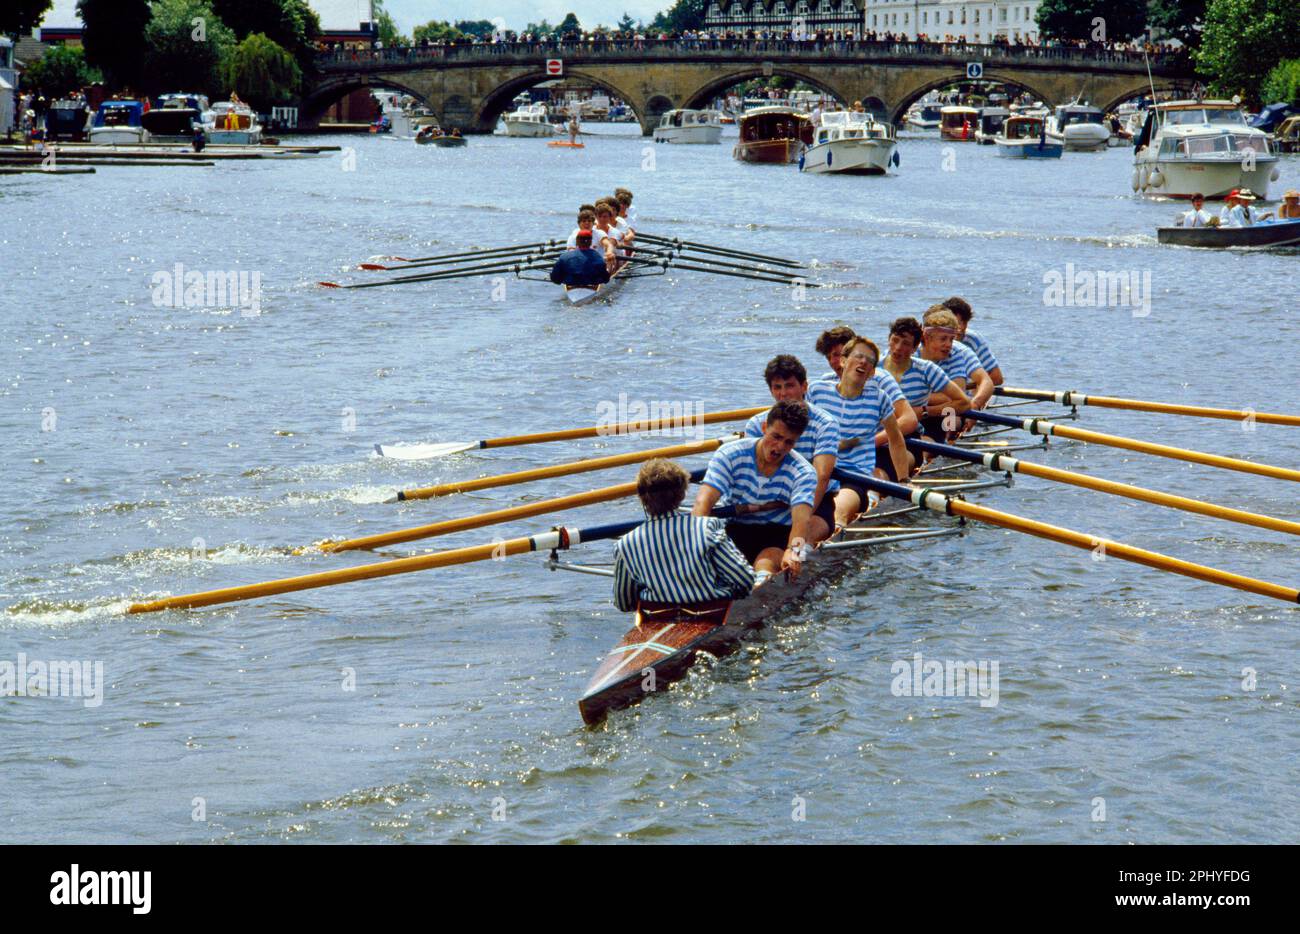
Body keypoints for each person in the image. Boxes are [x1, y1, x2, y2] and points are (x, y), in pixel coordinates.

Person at [693, 400, 817, 582]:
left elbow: (802, 521)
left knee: (766, 561)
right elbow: (703, 503)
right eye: (776, 436)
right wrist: (694, 544)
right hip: (735, 526)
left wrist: (794, 551)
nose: (780, 447)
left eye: (789, 442)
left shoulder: (803, 472)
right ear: (764, 427)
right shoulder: (730, 454)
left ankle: (760, 584)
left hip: (778, 532)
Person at [613, 458, 754, 612]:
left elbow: (624, 603)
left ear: (641, 496)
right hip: (711, 612)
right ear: (681, 495)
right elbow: (744, 580)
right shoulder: (706, 527)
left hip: (658, 616)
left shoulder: (625, 544)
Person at [806, 337, 911, 523]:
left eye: (870, 361)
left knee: (837, 511)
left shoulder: (879, 398)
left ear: (871, 372)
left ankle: (831, 533)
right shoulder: (816, 390)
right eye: (859, 356)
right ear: (843, 361)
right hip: (817, 470)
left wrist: (904, 482)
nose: (864, 362)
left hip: (854, 477)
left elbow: (895, 439)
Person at [742, 355, 840, 545]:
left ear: (804, 387)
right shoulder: (757, 424)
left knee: (798, 544)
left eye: (789, 385)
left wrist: (800, 521)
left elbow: (821, 476)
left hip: (815, 501)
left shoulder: (825, 424)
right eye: (777, 387)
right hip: (770, 501)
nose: (783, 394)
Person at [881, 317, 971, 447]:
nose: (898, 348)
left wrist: (925, 411)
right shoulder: (873, 366)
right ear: (889, 339)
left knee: (950, 422)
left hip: (915, 432)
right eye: (895, 340)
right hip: (876, 429)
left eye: (905, 343)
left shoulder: (927, 369)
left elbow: (964, 403)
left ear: (914, 348)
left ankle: (941, 444)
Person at [914, 305, 994, 436]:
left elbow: (988, 381)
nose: (948, 343)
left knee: (951, 419)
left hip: (951, 409)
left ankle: (947, 441)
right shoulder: (911, 350)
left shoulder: (958, 352)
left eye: (950, 338)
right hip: (923, 408)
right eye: (942, 337)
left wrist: (974, 406)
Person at [942, 296, 1003, 386]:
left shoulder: (973, 340)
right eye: (956, 323)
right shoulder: (931, 342)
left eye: (964, 322)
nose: (961, 328)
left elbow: (997, 378)